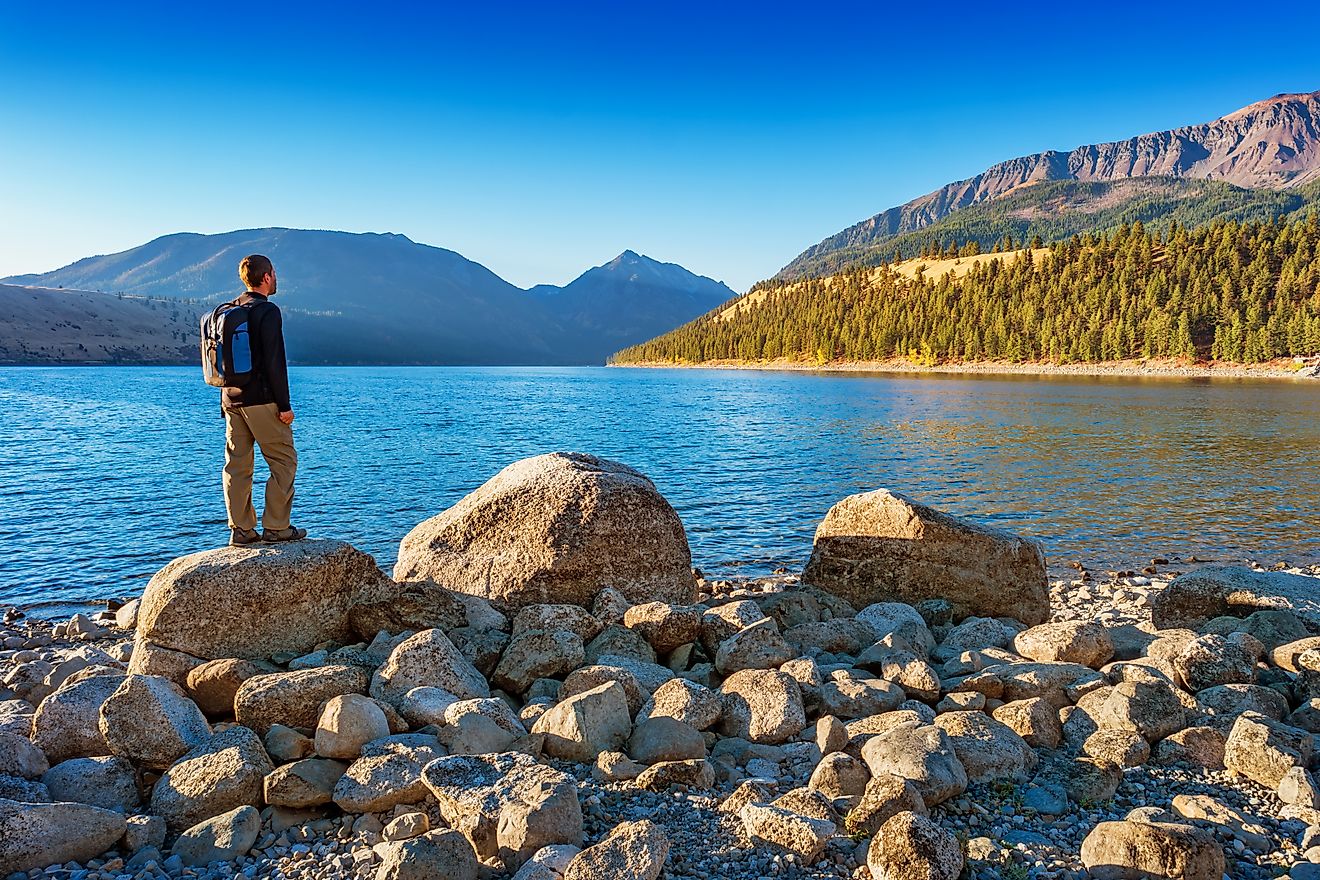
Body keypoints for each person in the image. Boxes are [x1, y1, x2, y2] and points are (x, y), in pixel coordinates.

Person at [220, 254, 306, 546]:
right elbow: (274, 361)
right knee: (283, 461)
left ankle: (241, 530)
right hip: (262, 401)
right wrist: (284, 405)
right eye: (274, 273)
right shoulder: (267, 311)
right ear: (267, 276)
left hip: (231, 399)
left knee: (237, 466)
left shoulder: (231, 309)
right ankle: (277, 527)